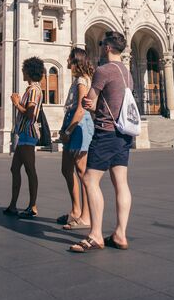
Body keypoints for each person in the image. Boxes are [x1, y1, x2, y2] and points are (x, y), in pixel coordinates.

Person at [71, 31, 134, 253]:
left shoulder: (103, 71)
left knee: (89, 179)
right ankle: (120, 233)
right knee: (121, 183)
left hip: (105, 132)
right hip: (123, 134)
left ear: (107, 47)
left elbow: (89, 100)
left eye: (101, 45)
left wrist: (90, 105)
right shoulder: (127, 72)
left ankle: (96, 235)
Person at [56, 47, 93, 230]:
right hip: (71, 121)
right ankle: (76, 210)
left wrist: (68, 131)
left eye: (70, 59)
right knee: (66, 168)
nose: (67, 62)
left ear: (76, 61)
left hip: (79, 125)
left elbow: (81, 108)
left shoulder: (81, 80)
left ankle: (85, 216)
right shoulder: (77, 80)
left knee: (81, 171)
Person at [4, 57, 45, 218]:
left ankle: (32, 206)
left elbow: (30, 113)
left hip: (28, 134)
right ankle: (13, 205)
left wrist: (16, 103)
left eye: (24, 69)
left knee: (30, 170)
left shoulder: (34, 90)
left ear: (28, 71)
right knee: (15, 169)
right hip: (23, 135)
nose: (22, 71)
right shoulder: (30, 89)